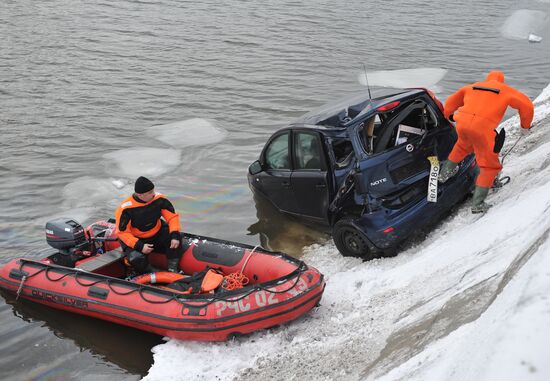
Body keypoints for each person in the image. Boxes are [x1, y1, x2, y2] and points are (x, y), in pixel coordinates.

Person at [438, 70, 534, 213]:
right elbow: (527, 106)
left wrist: (449, 115)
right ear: (501, 81)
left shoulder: (472, 86)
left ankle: (444, 174)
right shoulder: (506, 91)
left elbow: (452, 100)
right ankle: (478, 204)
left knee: (461, 147)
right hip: (482, 129)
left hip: (462, 124)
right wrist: (525, 127)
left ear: (488, 79)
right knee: (490, 167)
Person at [114, 176, 183, 273]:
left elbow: (172, 217)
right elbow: (122, 233)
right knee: (136, 258)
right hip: (137, 238)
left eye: (153, 190)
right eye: (150, 192)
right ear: (140, 195)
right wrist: (139, 246)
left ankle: (172, 268)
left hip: (157, 232)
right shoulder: (126, 209)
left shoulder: (159, 199)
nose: (154, 194)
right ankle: (151, 274)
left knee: (176, 239)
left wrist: (174, 235)